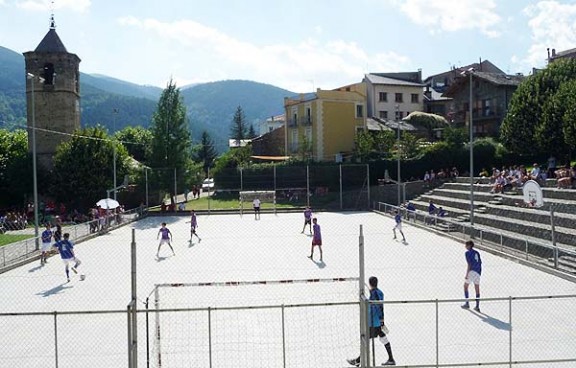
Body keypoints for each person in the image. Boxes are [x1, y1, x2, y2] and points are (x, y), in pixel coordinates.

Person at [347, 276, 396, 366]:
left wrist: (378, 320)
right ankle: (391, 359)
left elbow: (377, 307)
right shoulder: (379, 292)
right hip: (377, 322)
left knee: (365, 339)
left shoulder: (374, 294)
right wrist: (382, 321)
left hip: (374, 322)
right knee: (383, 338)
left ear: (370, 284)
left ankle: (358, 360)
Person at [461, 240, 482, 312]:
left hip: (472, 271)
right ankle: (477, 306)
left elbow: (469, 264)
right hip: (478, 271)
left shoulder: (467, 253)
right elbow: (480, 262)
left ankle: (467, 303)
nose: (465, 246)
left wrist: (467, 274)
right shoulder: (477, 252)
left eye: (466, 245)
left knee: (465, 286)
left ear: (469, 246)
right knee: (477, 288)